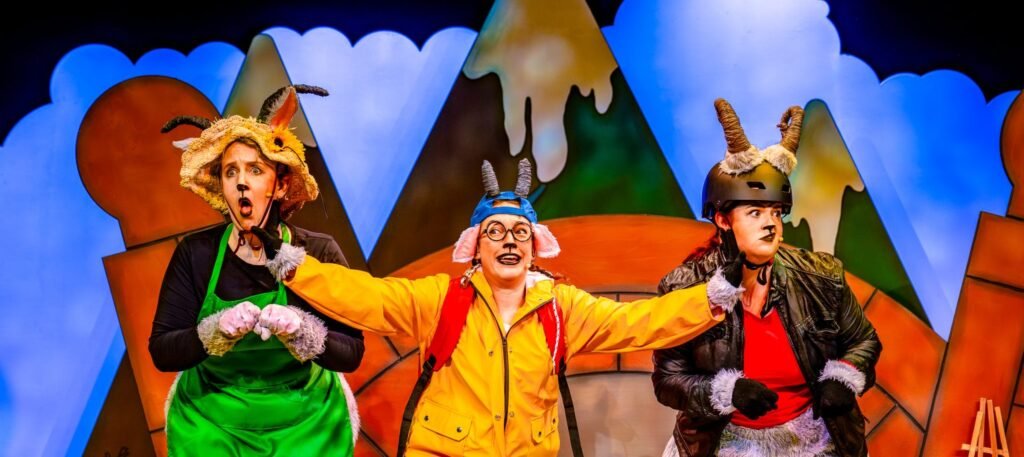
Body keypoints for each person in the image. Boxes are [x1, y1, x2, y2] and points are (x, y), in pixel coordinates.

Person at [253, 158, 741, 456]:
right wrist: (295, 267)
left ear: (534, 246)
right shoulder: (439, 299)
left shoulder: (561, 307)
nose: (509, 242)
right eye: (496, 232)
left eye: (520, 233)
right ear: (476, 246)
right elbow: (366, 296)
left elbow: (640, 322)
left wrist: (711, 296)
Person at [654, 99, 881, 457]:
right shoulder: (683, 287)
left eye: (776, 212)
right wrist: (726, 392)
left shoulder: (821, 277)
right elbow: (668, 380)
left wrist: (843, 376)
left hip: (809, 440)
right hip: (723, 442)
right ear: (723, 220)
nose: (770, 224)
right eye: (755, 212)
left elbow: (864, 340)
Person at [150, 85, 364, 456]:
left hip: (305, 421)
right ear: (222, 187)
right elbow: (163, 351)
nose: (241, 181)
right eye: (230, 171)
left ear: (279, 186)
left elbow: (352, 352)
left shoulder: (318, 251)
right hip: (214, 421)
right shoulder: (196, 254)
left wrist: (302, 330)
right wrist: (215, 330)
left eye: (255, 170)